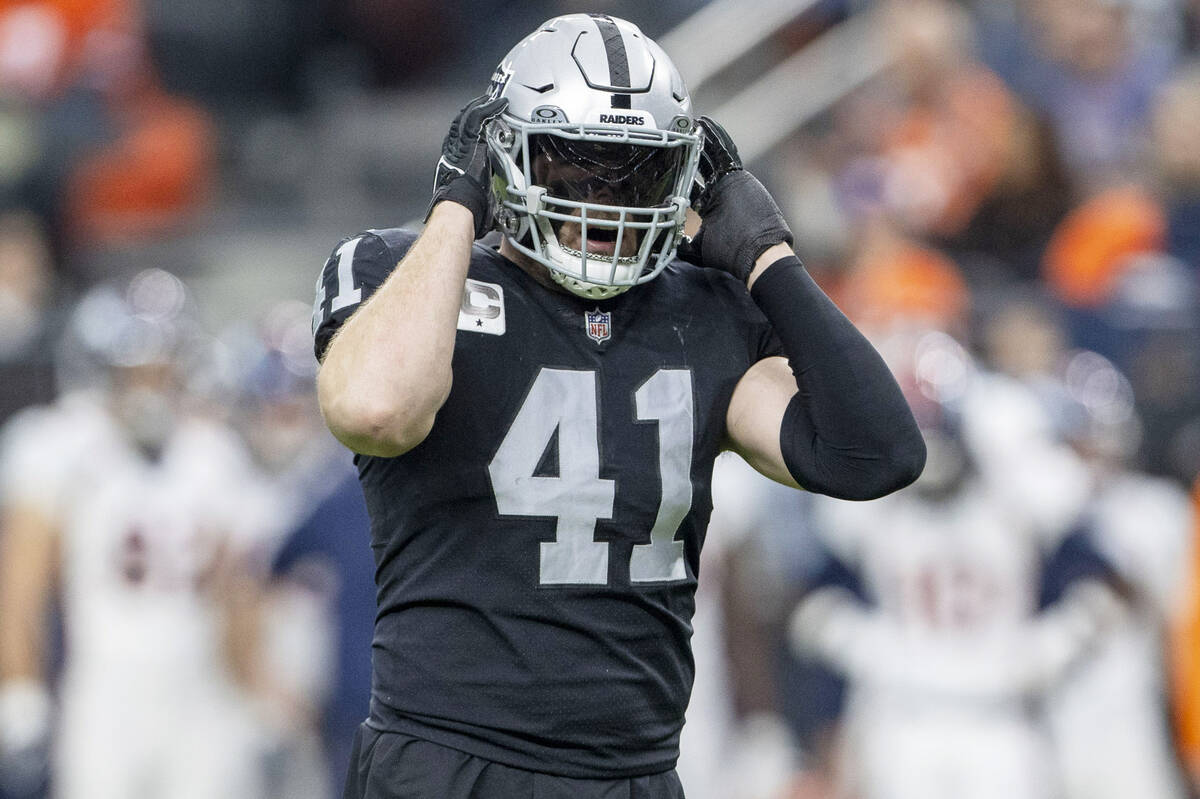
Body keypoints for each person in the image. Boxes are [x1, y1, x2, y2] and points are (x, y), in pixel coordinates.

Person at [312, 14, 925, 798]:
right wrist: (456, 208)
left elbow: (875, 454)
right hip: (451, 761)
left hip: (634, 773)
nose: (604, 201)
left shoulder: (705, 311)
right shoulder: (404, 275)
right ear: (502, 157)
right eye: (574, 168)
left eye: (635, 173)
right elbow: (375, 410)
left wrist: (769, 258)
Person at [0, 270, 269, 799]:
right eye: (136, 372)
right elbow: (22, 584)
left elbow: (238, 593)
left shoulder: (213, 453)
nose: (151, 388)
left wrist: (256, 697)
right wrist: (21, 692)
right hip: (104, 694)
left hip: (201, 693)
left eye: (162, 370)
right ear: (105, 373)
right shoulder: (63, 444)